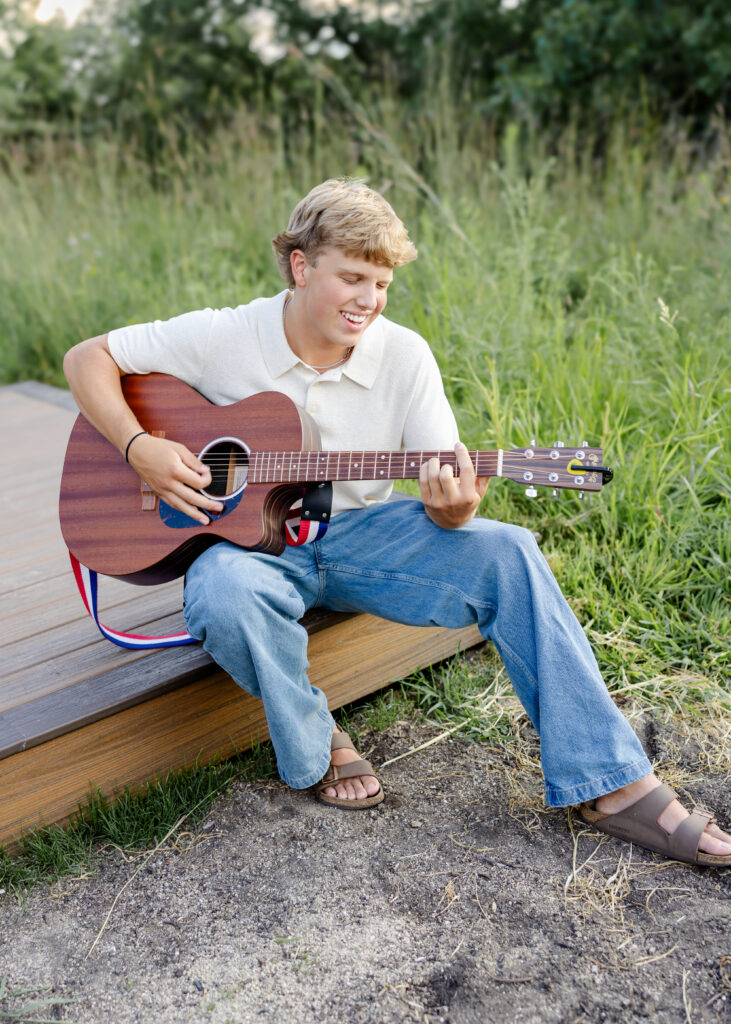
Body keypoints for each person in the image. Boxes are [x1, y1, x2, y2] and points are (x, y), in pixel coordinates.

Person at [64, 178, 731, 866]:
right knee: (222, 594)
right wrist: (140, 447)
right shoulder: (224, 336)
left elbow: (446, 483)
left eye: (380, 283)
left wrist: (456, 507)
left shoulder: (404, 355)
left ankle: (613, 781)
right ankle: (318, 741)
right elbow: (86, 359)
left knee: (508, 551)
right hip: (250, 552)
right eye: (351, 277)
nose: (367, 301)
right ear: (300, 266)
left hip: (361, 538)